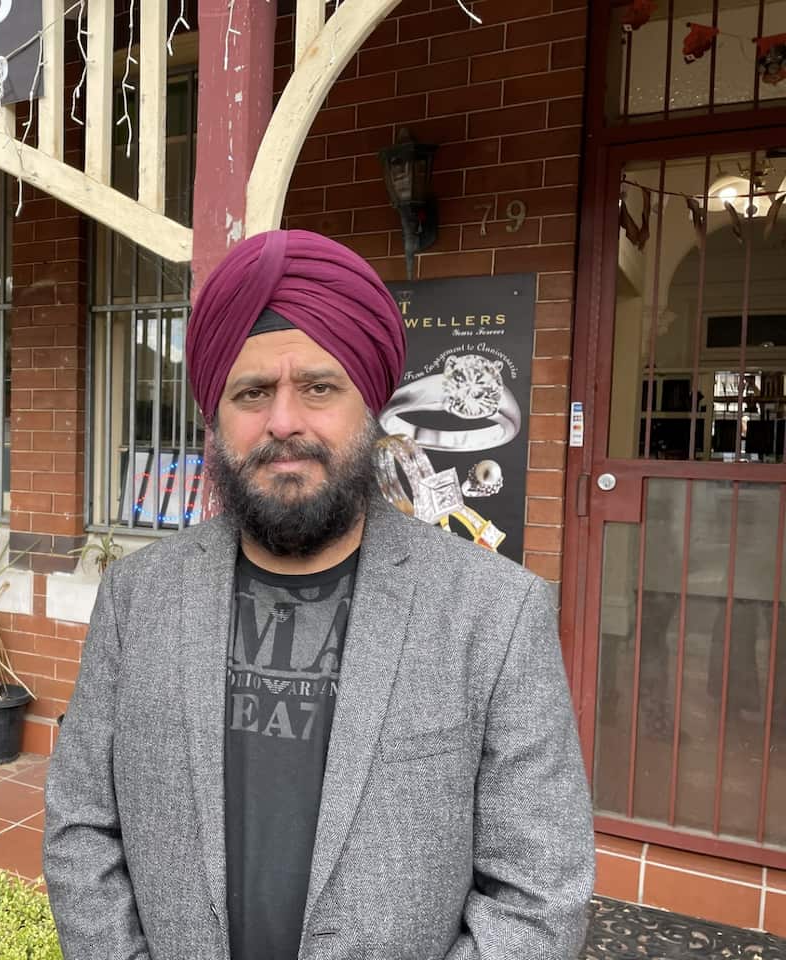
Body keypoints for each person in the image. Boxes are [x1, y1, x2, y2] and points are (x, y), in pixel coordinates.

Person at [43, 229, 595, 960]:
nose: (283, 422)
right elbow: (81, 824)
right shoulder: (137, 596)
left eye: (318, 387)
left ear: (371, 406)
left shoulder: (495, 613)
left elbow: (538, 894)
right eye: (252, 392)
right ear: (215, 415)